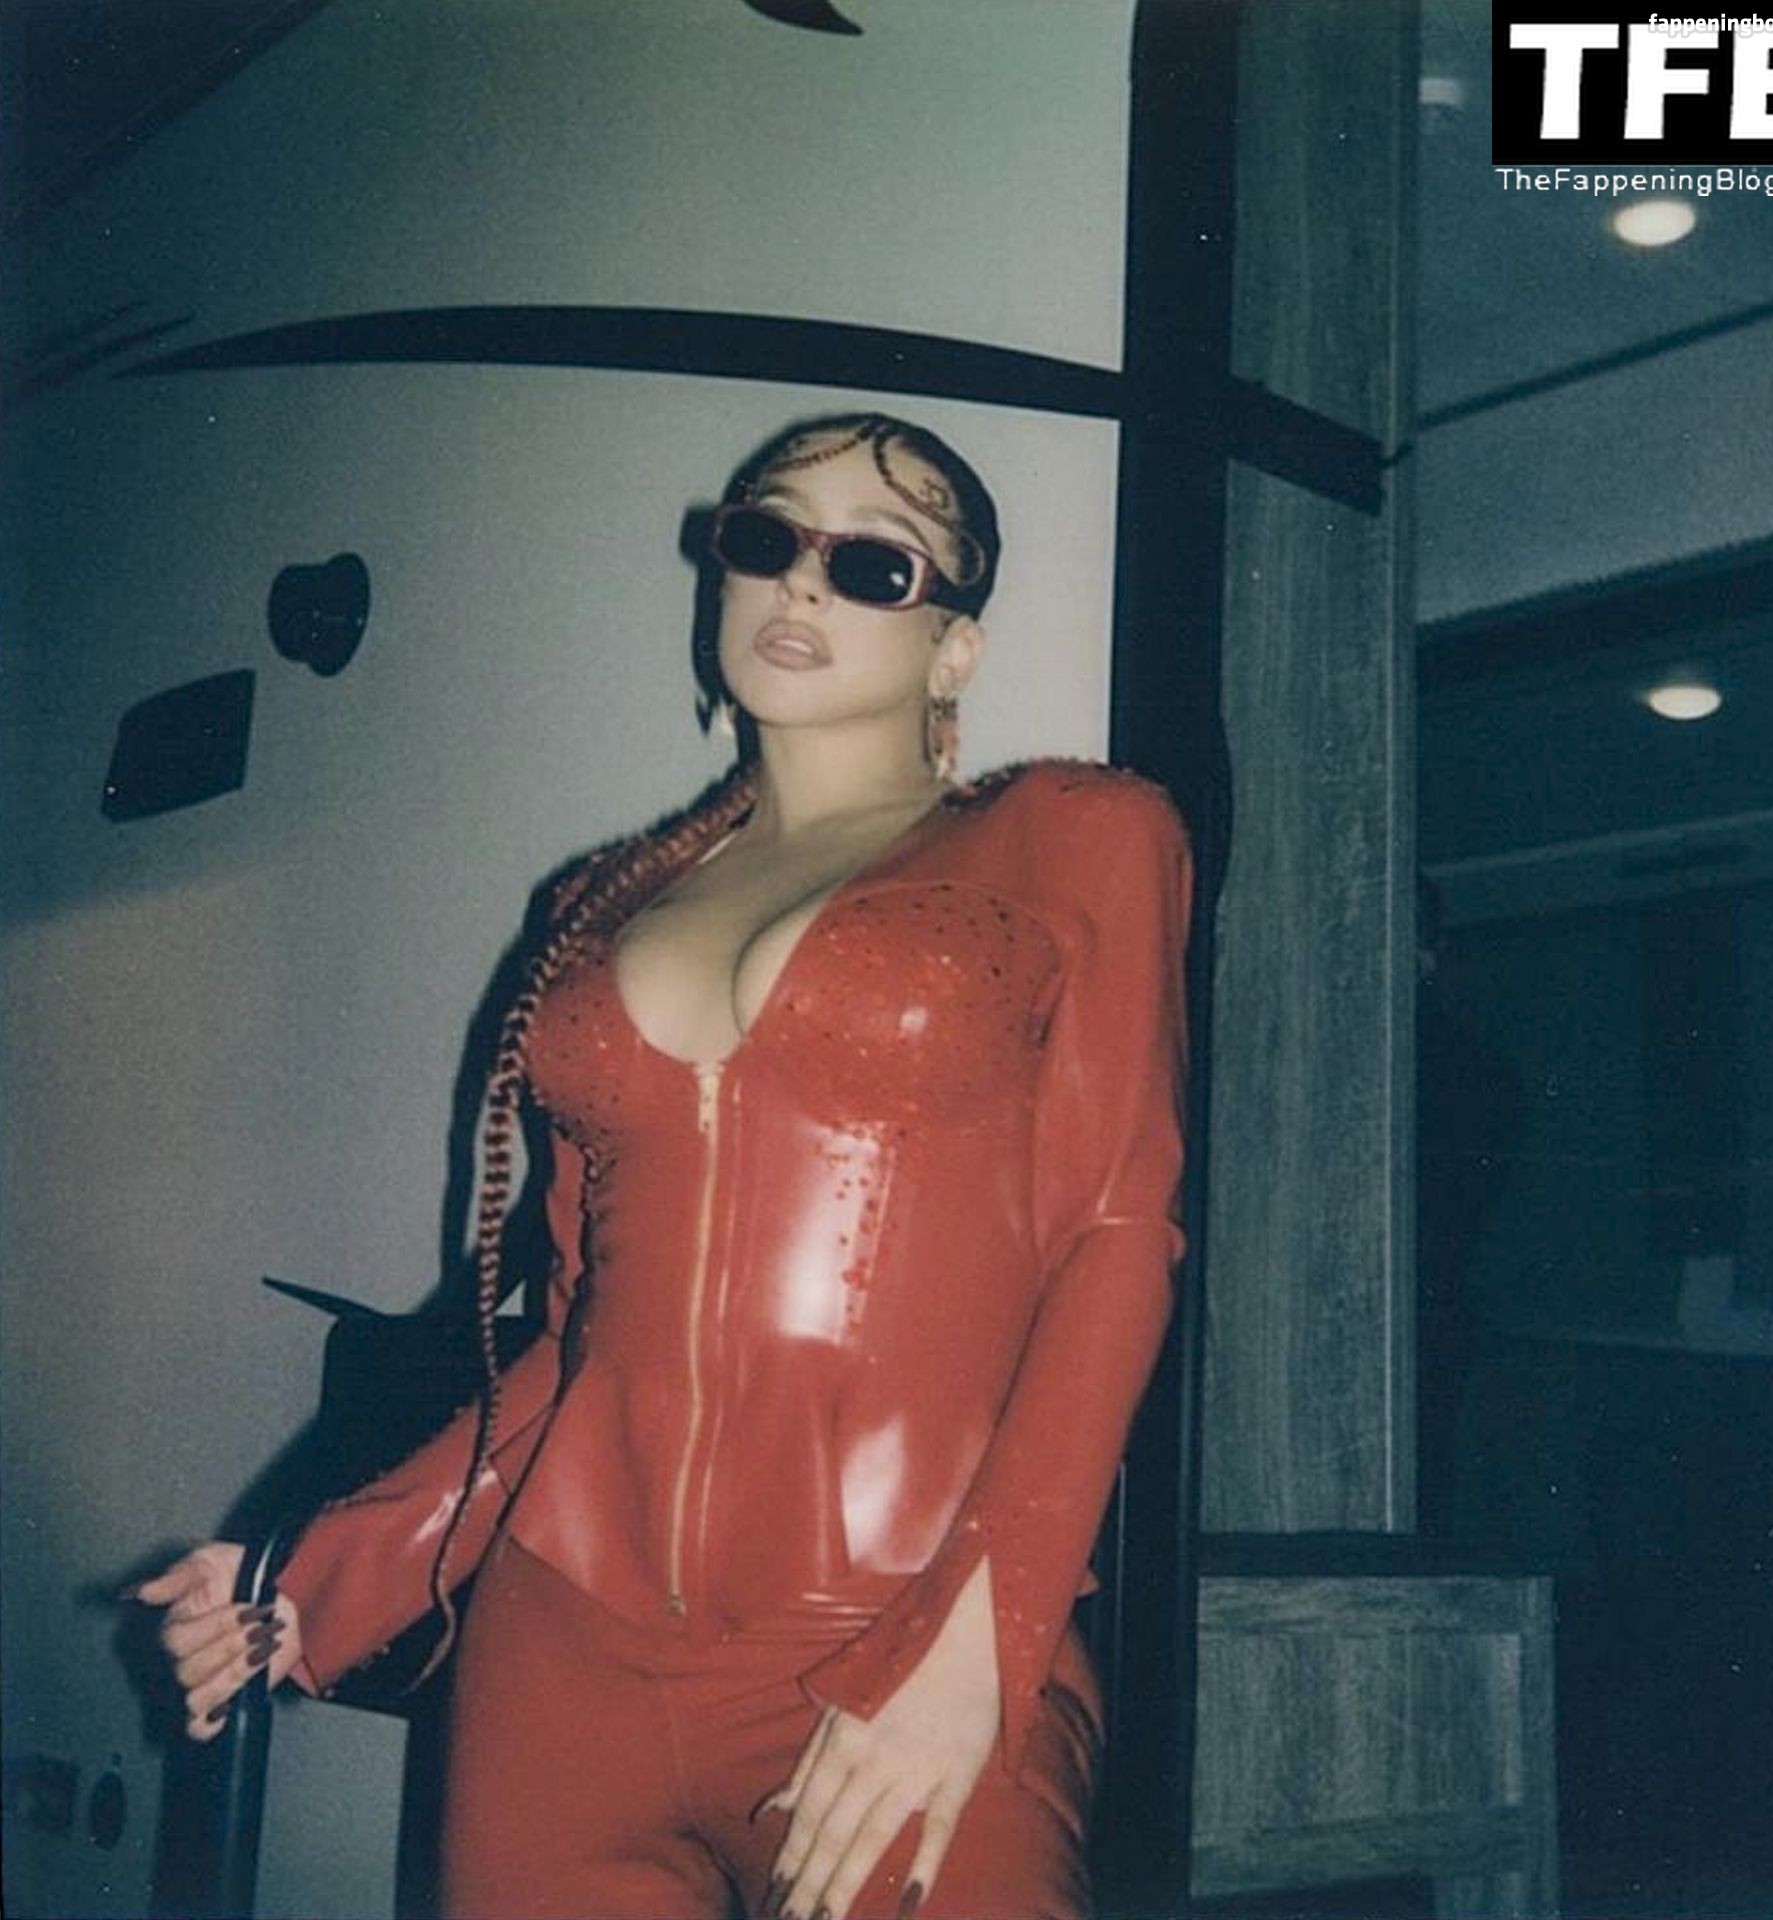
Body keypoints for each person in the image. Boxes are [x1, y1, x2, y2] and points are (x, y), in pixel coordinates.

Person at [135, 413, 1191, 1920]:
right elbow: (580, 1343)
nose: (801, 580)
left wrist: (983, 1642)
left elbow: (1118, 1237)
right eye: (765, 537)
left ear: (954, 648)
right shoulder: (602, 899)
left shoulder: (1080, 835)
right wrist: (308, 1580)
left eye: (874, 563)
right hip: (560, 1655)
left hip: (894, 1636)